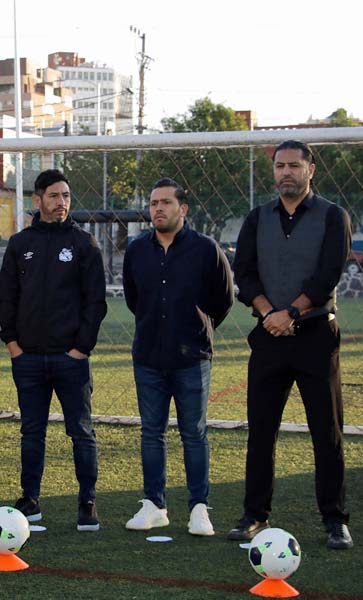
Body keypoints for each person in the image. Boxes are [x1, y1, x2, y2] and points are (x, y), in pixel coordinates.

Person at [229, 140, 353, 550]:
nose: (286, 172)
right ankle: (255, 515)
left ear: (310, 170)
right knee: (261, 432)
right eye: (280, 166)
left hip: (316, 335)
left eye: (294, 165)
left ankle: (335, 520)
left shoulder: (333, 217)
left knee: (326, 431)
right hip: (269, 336)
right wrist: (269, 313)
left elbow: (327, 275)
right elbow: (244, 275)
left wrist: (292, 314)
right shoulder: (257, 218)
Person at [122, 177, 233, 536]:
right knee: (151, 433)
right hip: (149, 356)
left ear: (182, 209)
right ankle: (154, 505)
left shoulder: (205, 248)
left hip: (192, 356)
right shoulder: (137, 249)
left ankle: (199, 508)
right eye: (153, 203)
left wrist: (197, 326)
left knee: (194, 434)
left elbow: (223, 299)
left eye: (165, 202)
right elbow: (133, 298)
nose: (158, 209)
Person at [0, 168, 107, 531]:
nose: (61, 203)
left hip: (70, 359)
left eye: (66, 196)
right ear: (38, 200)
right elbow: (7, 298)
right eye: (55, 196)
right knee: (32, 431)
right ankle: (30, 499)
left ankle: (87, 502)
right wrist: (13, 345)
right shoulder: (20, 244)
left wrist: (81, 349)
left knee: (81, 431)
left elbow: (95, 303)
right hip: (27, 358)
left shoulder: (83, 244)